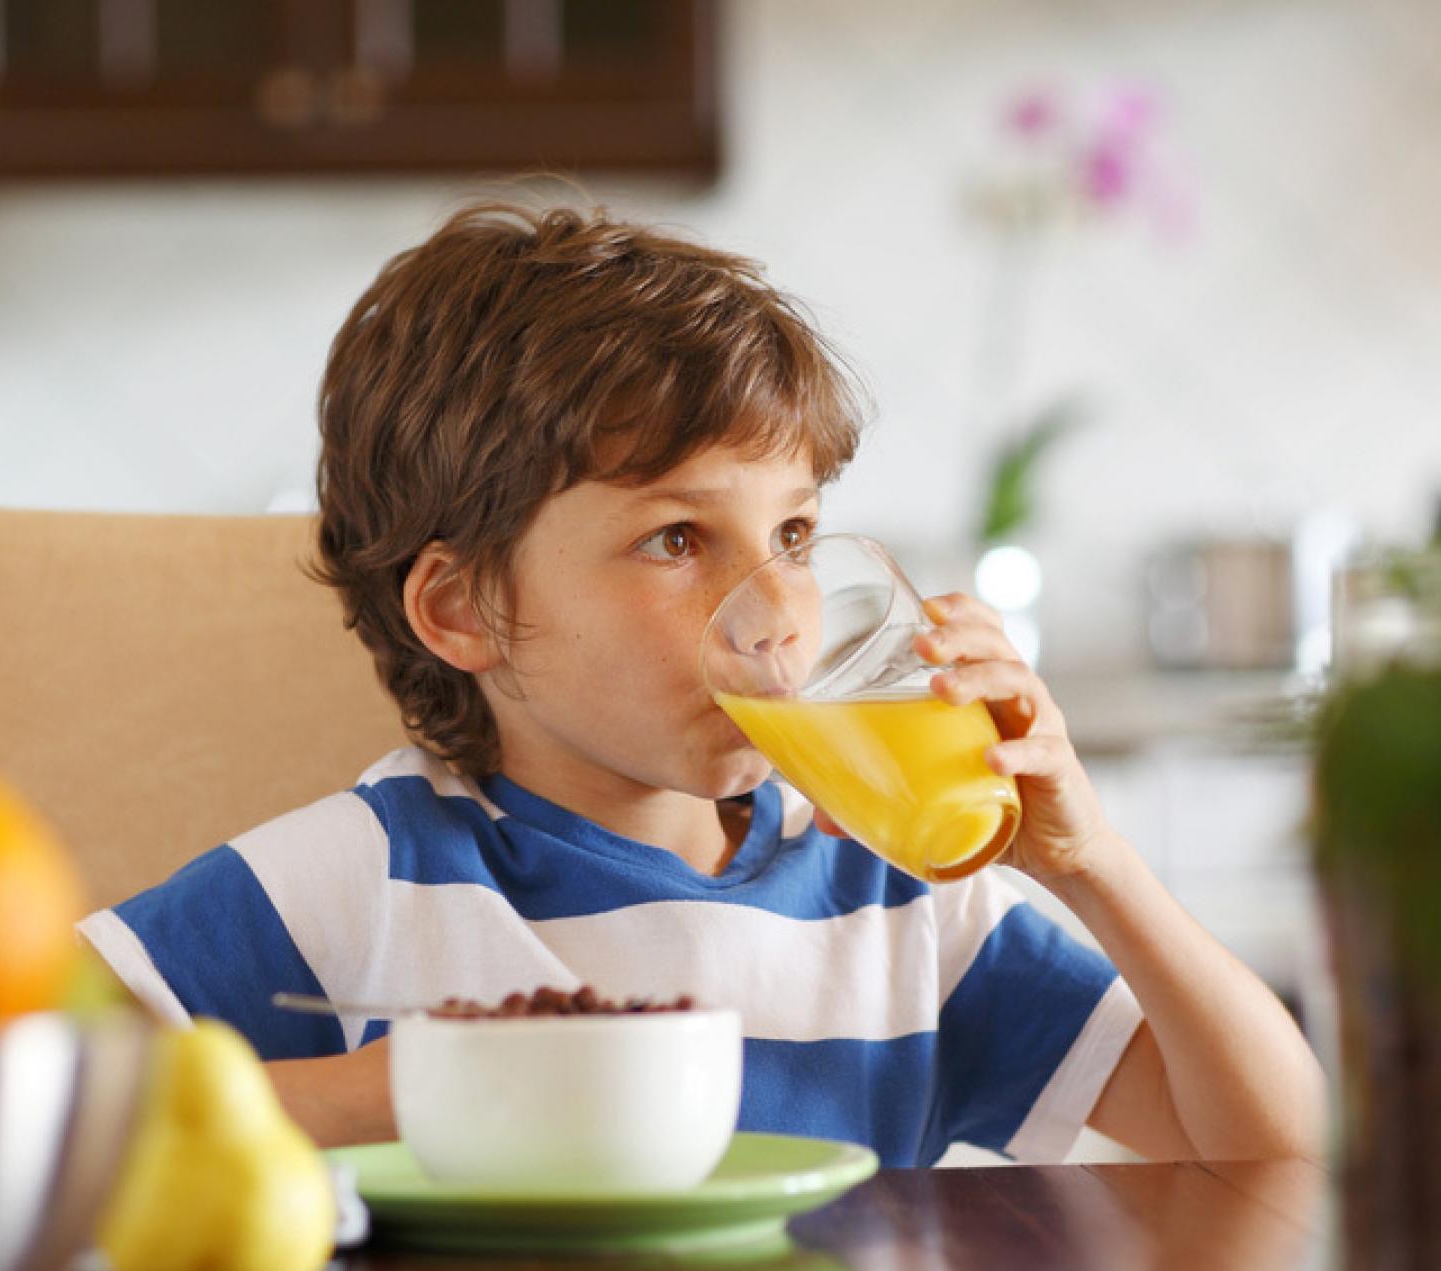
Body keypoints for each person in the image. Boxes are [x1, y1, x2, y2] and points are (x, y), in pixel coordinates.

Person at [78, 200, 1324, 1163]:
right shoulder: (369, 882)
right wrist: (404, 1092)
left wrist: (1090, 864)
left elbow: (1275, 1150)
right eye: (676, 541)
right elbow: (11, 1113)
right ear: (466, 609)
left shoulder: (890, 904)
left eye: (792, 536)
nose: (780, 610)